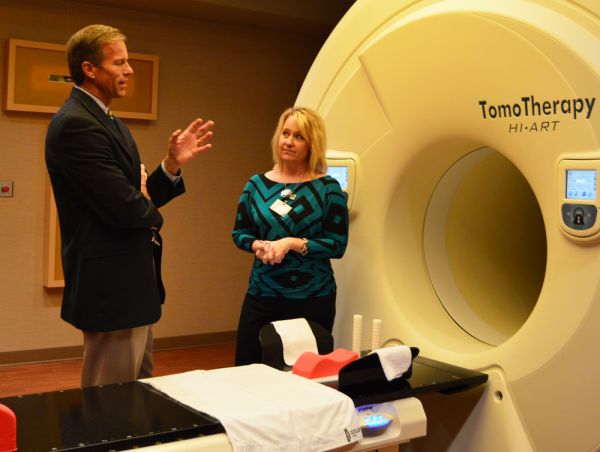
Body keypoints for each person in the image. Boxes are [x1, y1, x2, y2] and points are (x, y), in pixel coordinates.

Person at [45, 24, 214, 387]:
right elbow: (125, 208)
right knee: (109, 403)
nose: (130, 69)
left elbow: (135, 198)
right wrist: (143, 205)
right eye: (120, 62)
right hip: (110, 286)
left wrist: (170, 166)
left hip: (131, 284)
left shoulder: (111, 123)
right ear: (89, 68)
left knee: (139, 392)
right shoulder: (76, 125)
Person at [232, 106, 349, 365]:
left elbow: (337, 244)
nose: (289, 141)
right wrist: (257, 245)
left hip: (312, 298)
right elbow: (239, 232)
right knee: (248, 369)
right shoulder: (256, 185)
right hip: (262, 293)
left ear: (312, 144)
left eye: (299, 136)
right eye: (286, 133)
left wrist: (292, 243)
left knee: (304, 376)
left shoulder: (328, 188)